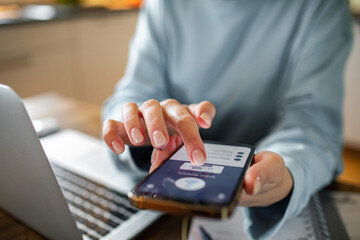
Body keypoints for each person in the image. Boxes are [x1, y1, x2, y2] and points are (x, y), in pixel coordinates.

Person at [102, 0, 353, 238]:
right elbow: (133, 92)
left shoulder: (321, 7)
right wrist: (139, 126)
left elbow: (313, 124)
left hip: (257, 197)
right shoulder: (164, 5)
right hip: (164, 196)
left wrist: (287, 168)